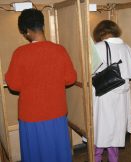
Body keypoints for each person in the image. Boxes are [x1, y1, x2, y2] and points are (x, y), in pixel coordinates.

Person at [5, 9, 77, 162]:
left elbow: (13, 84)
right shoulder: (59, 50)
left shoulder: (20, 53)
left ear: (27, 31)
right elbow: (71, 78)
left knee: (35, 154)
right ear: (42, 25)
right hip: (56, 112)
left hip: (31, 115)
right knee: (58, 152)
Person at [92, 20, 131, 162]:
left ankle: (96, 158)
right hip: (123, 96)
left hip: (104, 96)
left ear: (100, 33)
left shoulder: (98, 47)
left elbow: (89, 70)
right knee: (115, 132)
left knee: (101, 131)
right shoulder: (127, 48)